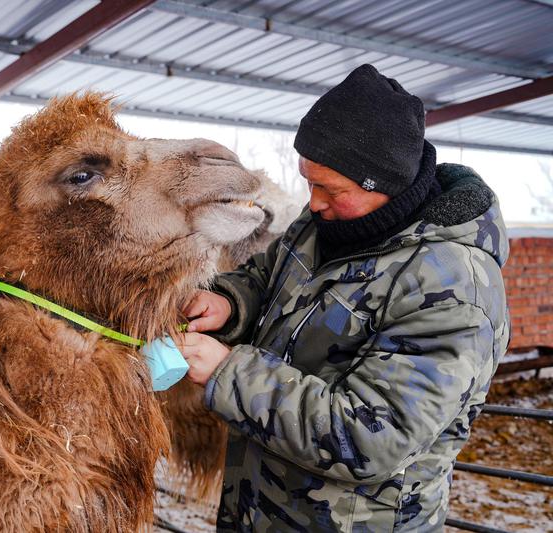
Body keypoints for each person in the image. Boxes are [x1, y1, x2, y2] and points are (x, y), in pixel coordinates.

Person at [178, 64, 509, 532]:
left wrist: (227, 372)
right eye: (309, 182)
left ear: (382, 184)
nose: (313, 202)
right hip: (262, 506)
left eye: (330, 188)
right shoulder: (323, 224)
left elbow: (372, 438)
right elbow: (267, 276)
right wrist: (231, 302)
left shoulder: (452, 290)